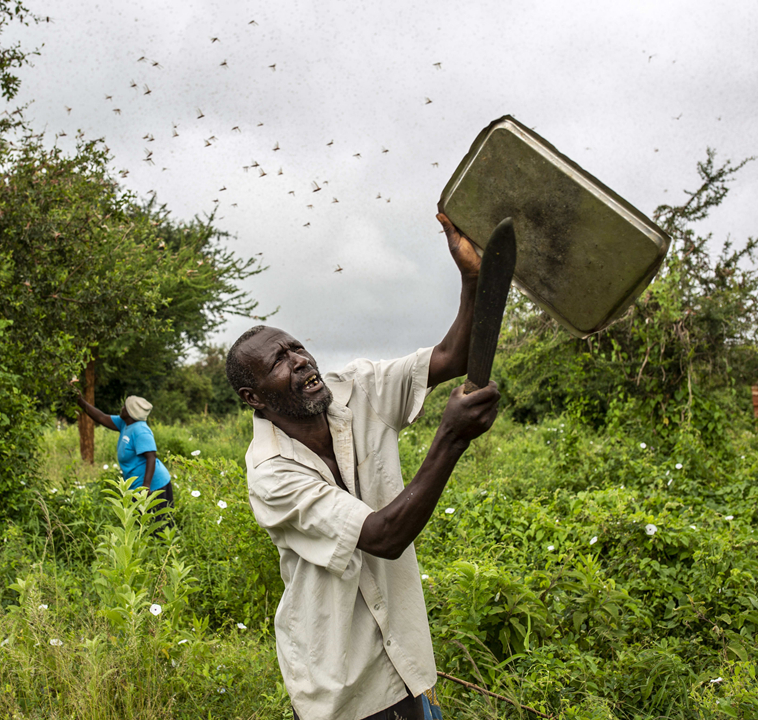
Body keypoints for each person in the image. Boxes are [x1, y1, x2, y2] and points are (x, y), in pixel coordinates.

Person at [225, 213, 501, 720]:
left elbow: (450, 356)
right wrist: (450, 438)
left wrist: (473, 279)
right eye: (280, 362)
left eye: (297, 348)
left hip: (405, 657)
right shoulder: (271, 474)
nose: (301, 361)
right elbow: (382, 536)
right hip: (342, 680)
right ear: (253, 397)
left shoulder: (357, 388)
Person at [75, 393, 174, 514]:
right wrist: (80, 401)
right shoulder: (125, 424)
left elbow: (151, 458)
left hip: (155, 487)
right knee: (140, 527)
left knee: (159, 526)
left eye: (125, 407)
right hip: (136, 487)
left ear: (131, 412)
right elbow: (101, 417)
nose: (122, 408)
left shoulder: (141, 431)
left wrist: (146, 487)